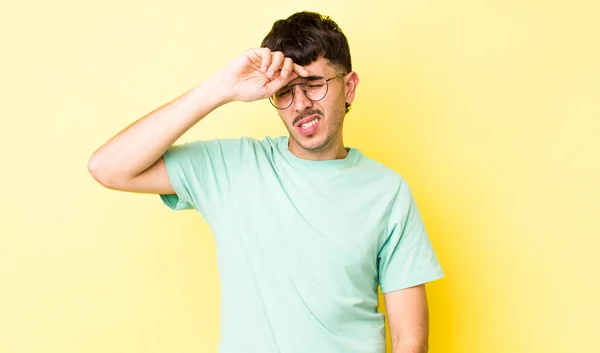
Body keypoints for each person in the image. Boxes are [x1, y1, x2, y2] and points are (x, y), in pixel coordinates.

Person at [88, 11, 444, 353]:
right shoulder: (232, 168)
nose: (300, 104)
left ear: (348, 88)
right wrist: (222, 88)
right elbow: (108, 167)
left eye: (314, 85)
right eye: (285, 92)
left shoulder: (388, 192)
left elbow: (410, 340)